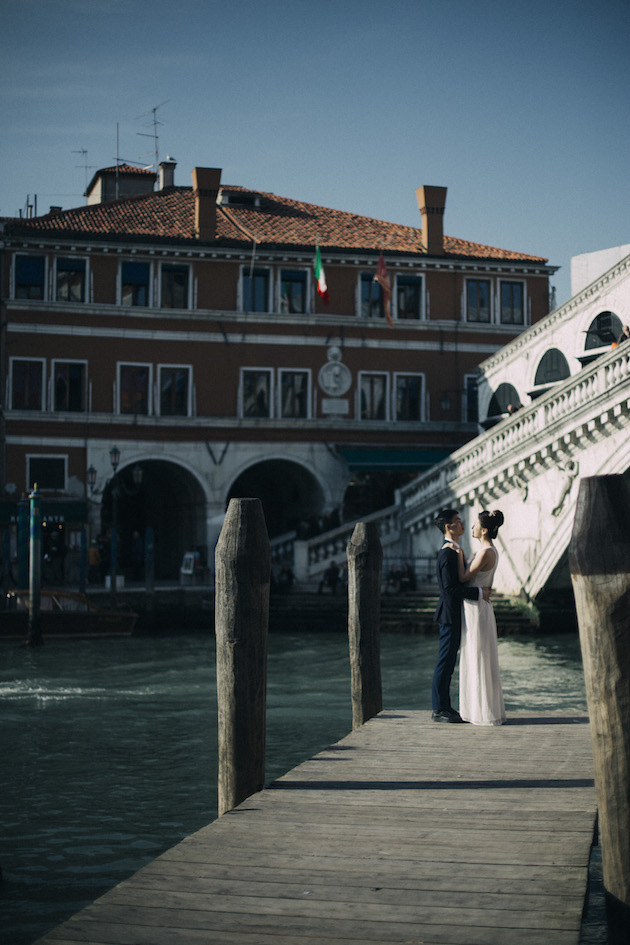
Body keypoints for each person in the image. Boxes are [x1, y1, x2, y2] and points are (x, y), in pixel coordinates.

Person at [431, 509, 491, 723]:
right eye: (457, 521)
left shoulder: (455, 550)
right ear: (449, 527)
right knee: (445, 661)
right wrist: (478, 593)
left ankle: (444, 706)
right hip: (449, 614)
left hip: (454, 613)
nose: (462, 523)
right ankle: (439, 708)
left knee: (448, 662)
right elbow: (450, 589)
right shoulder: (448, 552)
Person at [456, 509, 506, 726]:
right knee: (479, 655)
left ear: (484, 530)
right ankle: (481, 709)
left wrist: (457, 554)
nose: (472, 528)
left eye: (475, 525)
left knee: (477, 655)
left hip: (476, 608)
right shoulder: (488, 550)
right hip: (478, 605)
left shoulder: (485, 552)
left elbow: (463, 577)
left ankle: (480, 712)